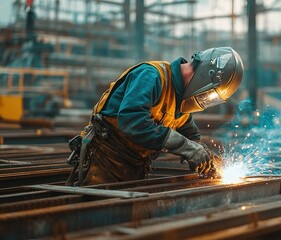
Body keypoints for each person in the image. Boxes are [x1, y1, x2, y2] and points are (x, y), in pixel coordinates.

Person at [66, 47, 244, 186]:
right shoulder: (152, 76)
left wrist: (204, 157)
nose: (205, 99)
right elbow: (132, 121)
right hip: (105, 162)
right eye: (208, 95)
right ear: (206, 74)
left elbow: (190, 136)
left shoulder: (181, 101)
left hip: (136, 167)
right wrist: (187, 148)